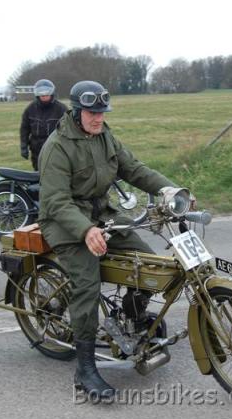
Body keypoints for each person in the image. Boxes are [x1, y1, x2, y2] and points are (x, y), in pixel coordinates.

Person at [38, 80, 181, 401]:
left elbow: (134, 169)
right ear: (76, 111)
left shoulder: (105, 137)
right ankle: (85, 369)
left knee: (150, 266)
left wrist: (171, 190)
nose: (98, 118)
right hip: (65, 223)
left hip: (103, 215)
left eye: (102, 112)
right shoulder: (57, 147)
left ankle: (133, 318)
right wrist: (85, 230)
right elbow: (56, 201)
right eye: (92, 113)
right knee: (87, 286)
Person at [20, 79, 67, 170]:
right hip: (36, 150)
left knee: (56, 172)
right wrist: (23, 146)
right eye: (42, 95)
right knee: (38, 173)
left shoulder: (61, 109)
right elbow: (24, 129)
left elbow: (68, 129)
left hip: (56, 148)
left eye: (46, 94)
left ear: (52, 93)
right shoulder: (30, 109)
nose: (44, 96)